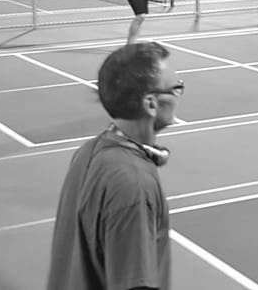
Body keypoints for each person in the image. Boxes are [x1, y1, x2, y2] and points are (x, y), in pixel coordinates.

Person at [47, 42, 183, 290]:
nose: (178, 95)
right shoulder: (133, 184)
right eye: (176, 89)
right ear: (151, 104)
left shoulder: (88, 153)